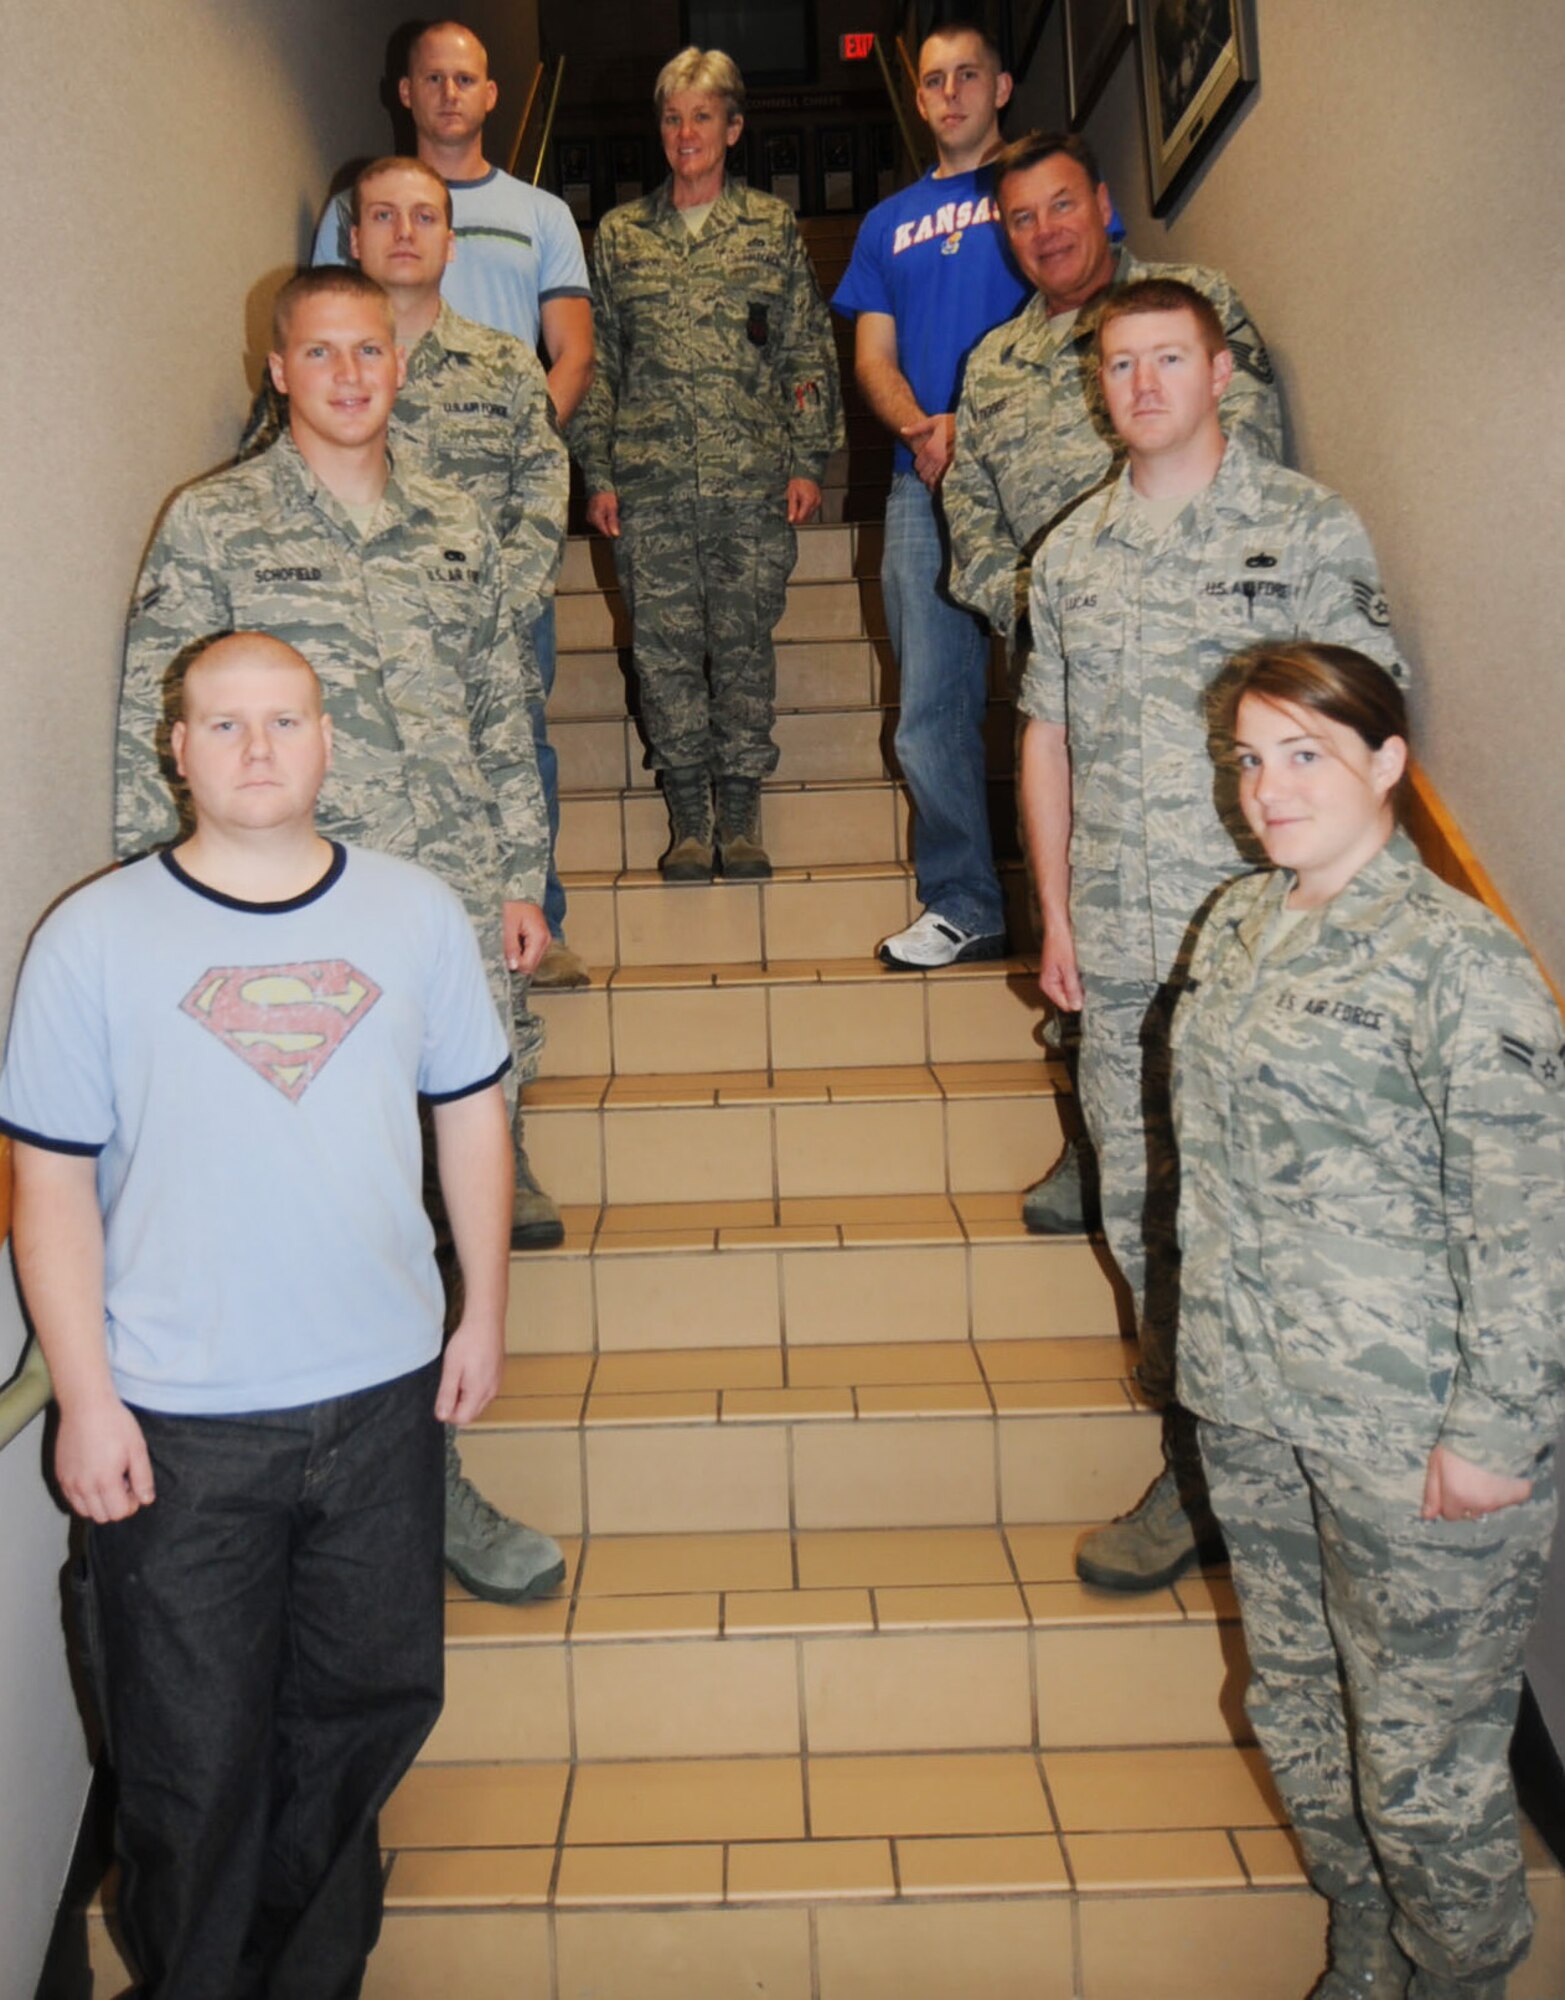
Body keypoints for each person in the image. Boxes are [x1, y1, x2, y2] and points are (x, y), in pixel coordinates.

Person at [2, 634, 512, 1997]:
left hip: (381, 1404)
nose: (257, 747)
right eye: (222, 723)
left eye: (284, 718)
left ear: (329, 739)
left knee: (363, 1718)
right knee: (190, 1755)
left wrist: (482, 1312)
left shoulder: (414, 913)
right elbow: (48, 1184)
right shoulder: (92, 937)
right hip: (178, 1426)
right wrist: (86, 1396)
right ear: (176, 749)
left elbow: (471, 1113)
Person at [114, 267, 567, 1606]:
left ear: (398, 364)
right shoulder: (214, 525)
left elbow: (501, 712)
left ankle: (425, 1475)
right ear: (278, 370)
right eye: (321, 353)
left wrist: (521, 878)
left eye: (369, 350)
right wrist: (160, 925)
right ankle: (351, 1487)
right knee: (328, 1202)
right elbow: (156, 732)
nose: (351, 375)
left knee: (449, 1196)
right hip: (286, 946)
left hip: (451, 915)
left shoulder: (455, 523)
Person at [1173, 642, 1565, 2000]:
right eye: (1248, 758)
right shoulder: (1236, 921)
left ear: (1387, 762)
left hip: (1410, 1437)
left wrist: (1494, 1434)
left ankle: (1459, 1975)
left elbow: (1526, 1221)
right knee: (1295, 1708)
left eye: (1304, 755)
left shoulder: (1458, 963)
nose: (1266, 789)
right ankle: (1362, 1940)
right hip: (1253, 1400)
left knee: (1422, 1765)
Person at [1019, 278, 1402, 1591]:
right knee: (1145, 1220)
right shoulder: (1069, 553)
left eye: (1165, 359)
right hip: (1121, 948)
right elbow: (1045, 739)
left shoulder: (1304, 527)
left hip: (1274, 953)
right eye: (1117, 364)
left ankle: (1306, 1484)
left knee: (1288, 1215)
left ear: (1219, 372)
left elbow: (1366, 730)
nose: (1140, 385)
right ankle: (1199, 1475)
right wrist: (1055, 911)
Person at [944, 126, 1283, 1236]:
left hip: (1207, 670)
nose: (1043, 232)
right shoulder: (991, 365)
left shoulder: (1192, 309)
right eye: (1020, 217)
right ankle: (1097, 1138)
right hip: (1070, 671)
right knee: (1083, 904)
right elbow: (969, 508)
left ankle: (1215, 1156)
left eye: (1060, 205)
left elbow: (1253, 455)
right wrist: (1035, 609)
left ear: (1101, 202)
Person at [315, 19, 594, 988]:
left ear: (450, 239)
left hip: (488, 610)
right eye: (383, 219)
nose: (403, 234)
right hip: (356, 624)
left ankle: (528, 924)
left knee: (513, 753)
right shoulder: (328, 369)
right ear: (353, 237)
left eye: (423, 219)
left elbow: (541, 480)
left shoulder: (504, 364)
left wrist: (506, 595)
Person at [569, 46, 842, 881]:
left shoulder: (769, 228)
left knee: (743, 650)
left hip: (749, 484)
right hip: (647, 489)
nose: (685, 132)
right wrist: (597, 473)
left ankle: (742, 813)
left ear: (732, 128)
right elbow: (598, 366)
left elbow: (804, 350)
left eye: (701, 116)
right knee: (662, 656)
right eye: (671, 117)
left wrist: (808, 459)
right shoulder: (620, 237)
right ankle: (690, 817)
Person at [832, 21, 1029, 967]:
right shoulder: (885, 223)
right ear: (916, 98)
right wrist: (919, 428)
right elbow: (872, 355)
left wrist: (980, 421)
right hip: (925, 482)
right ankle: (966, 903)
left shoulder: (1036, 188)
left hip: (1033, 475)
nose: (950, 93)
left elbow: (1075, 301)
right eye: (933, 80)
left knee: (1060, 692)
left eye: (967, 76)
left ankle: (1079, 901)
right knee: (931, 710)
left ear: (1002, 87)